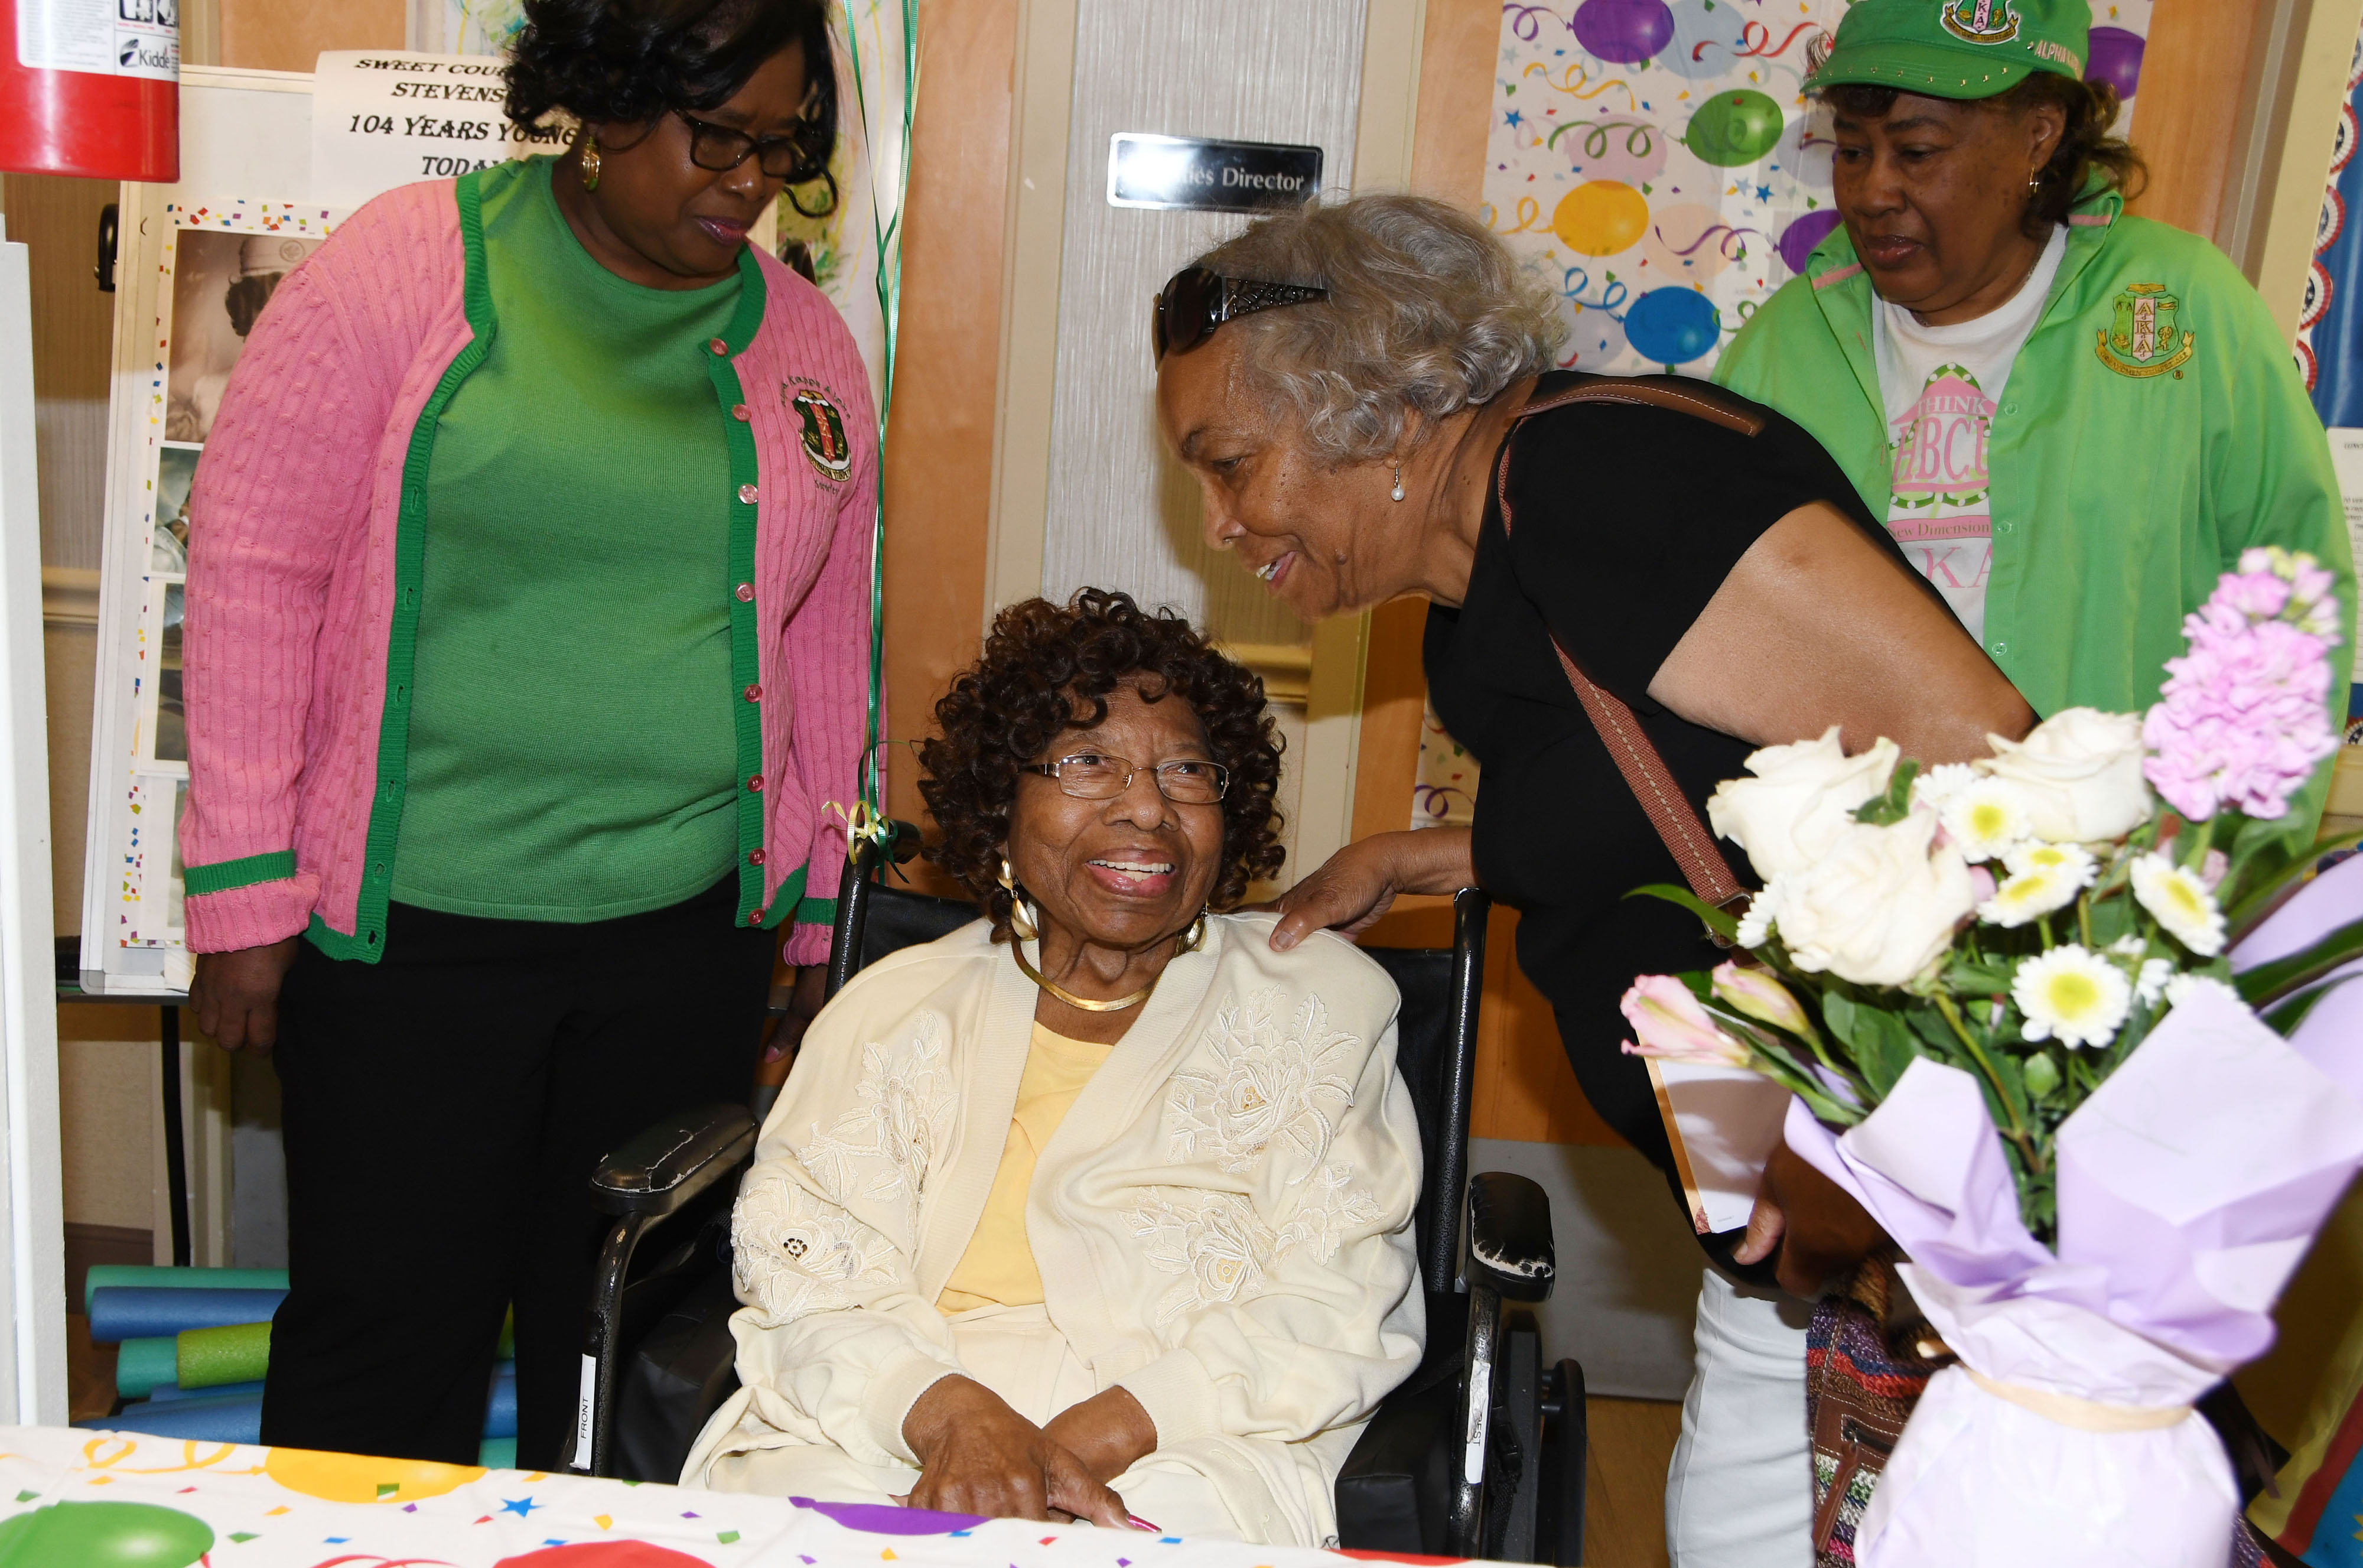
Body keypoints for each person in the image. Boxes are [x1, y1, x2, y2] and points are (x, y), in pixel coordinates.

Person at [1151, 194, 2033, 1564]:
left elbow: (1982, 763)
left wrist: (1860, 1149)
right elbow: (1680, 789)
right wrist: (1434, 854)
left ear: (1371, 413)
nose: (1215, 523)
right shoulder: (1473, 594)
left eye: (1228, 465)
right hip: (1778, 1228)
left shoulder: (1600, 479)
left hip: (1900, 1221)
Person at [178, 0, 874, 1469]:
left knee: (623, 1353)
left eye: (782, 147)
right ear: (603, 102)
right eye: (716, 138)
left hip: (680, 943)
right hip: (409, 942)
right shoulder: (405, 269)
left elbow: (822, 643)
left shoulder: (805, 344)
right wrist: (242, 886)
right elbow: (252, 564)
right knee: (387, 1337)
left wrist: (812, 905)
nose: (747, 182)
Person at [686, 590, 1423, 1547]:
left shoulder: (1320, 1006)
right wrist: (952, 1415)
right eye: (1088, 763)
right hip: (899, 1408)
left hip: (1190, 1432)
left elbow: (1340, 1299)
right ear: (1003, 804)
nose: (1147, 807)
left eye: (1186, 770)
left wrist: (1064, 1441)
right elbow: (804, 1272)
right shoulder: (894, 1007)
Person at [1714, 0, 2353, 838]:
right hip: (1848, 894)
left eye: (1917, 151)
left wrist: (2232, 856)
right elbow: (1708, 616)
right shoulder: (1784, 345)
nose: (1873, 191)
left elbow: (2289, 594)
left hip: (2119, 892)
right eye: (1851, 150)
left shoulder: (2181, 308)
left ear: (2040, 137)